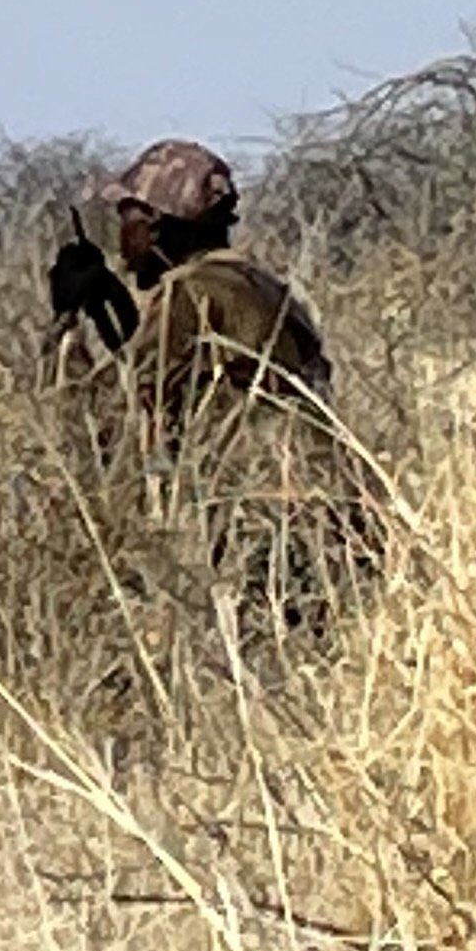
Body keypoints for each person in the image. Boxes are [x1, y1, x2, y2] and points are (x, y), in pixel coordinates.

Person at [43, 137, 381, 631]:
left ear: (153, 224)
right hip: (327, 509)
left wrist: (65, 330)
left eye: (127, 222)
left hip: (260, 524)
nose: (122, 242)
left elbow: (118, 423)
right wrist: (110, 308)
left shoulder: (187, 295)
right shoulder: (258, 285)